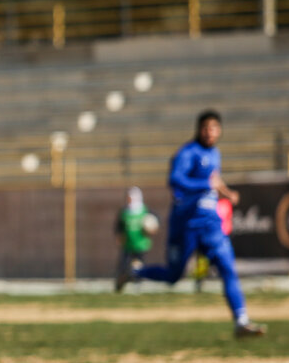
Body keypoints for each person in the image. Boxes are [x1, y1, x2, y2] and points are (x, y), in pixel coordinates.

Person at [116, 110, 266, 338]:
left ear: (220, 130)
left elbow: (213, 182)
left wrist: (226, 192)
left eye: (214, 128)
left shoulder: (215, 153)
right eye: (206, 128)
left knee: (227, 267)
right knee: (174, 276)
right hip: (185, 225)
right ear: (198, 129)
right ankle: (136, 272)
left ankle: (241, 321)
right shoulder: (188, 152)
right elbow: (176, 180)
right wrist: (205, 185)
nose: (210, 132)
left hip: (210, 224)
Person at [113, 186, 153, 291]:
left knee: (138, 265)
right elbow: (119, 226)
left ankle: (137, 283)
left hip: (140, 243)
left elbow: (153, 222)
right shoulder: (125, 211)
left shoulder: (144, 210)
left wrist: (152, 228)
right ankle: (120, 283)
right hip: (127, 243)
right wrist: (119, 235)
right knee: (123, 265)